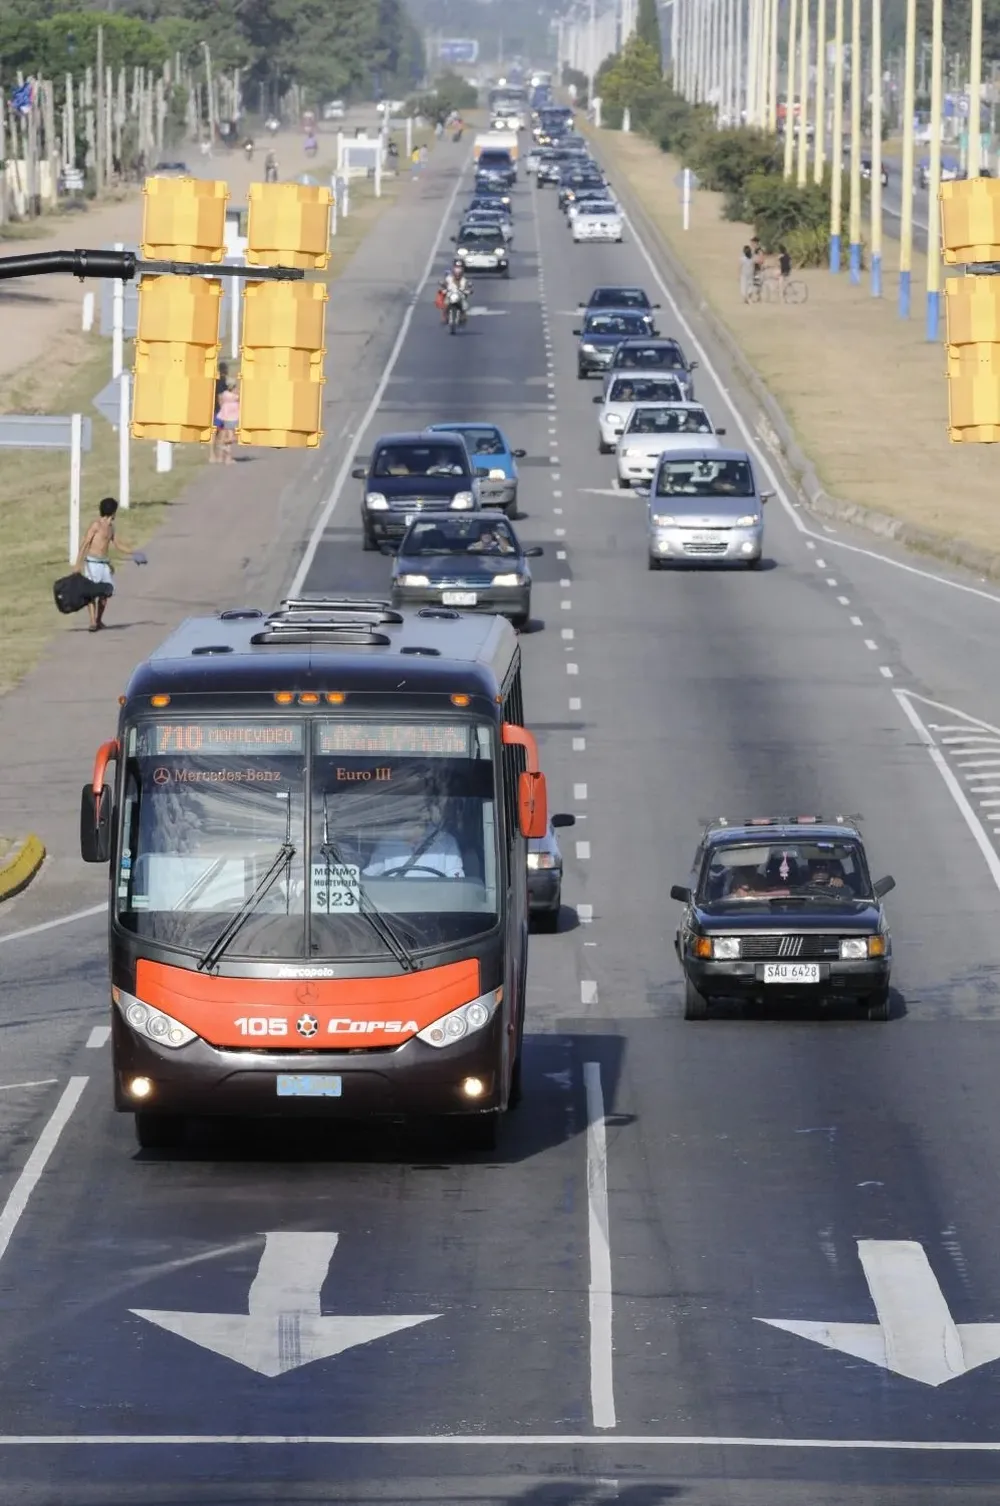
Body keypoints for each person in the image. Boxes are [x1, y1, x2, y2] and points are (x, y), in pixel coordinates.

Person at [75, 496, 134, 633]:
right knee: (91, 593)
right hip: (92, 563)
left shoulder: (111, 528)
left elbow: (118, 545)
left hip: (104, 563)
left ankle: (99, 619)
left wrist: (134, 552)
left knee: (106, 592)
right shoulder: (96, 525)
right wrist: (78, 563)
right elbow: (85, 543)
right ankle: (92, 621)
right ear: (113, 512)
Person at [438, 259, 471, 324]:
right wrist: (443, 288)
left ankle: (463, 316)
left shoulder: (464, 280)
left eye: (460, 268)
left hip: (460, 295)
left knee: (464, 304)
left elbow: (467, 287)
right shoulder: (449, 278)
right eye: (456, 268)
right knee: (446, 303)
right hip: (451, 294)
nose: (458, 270)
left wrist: (468, 291)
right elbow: (444, 284)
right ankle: (445, 317)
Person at [216, 381, 239, 463]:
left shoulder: (225, 394)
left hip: (225, 417)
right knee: (234, 438)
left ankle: (228, 458)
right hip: (232, 418)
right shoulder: (234, 396)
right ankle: (222, 445)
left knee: (230, 436)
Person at [211, 362, 230, 462]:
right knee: (222, 433)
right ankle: (218, 456)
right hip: (220, 410)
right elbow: (220, 396)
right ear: (225, 370)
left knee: (215, 433)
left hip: (214, 409)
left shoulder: (216, 380)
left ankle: (213, 456)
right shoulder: (222, 381)